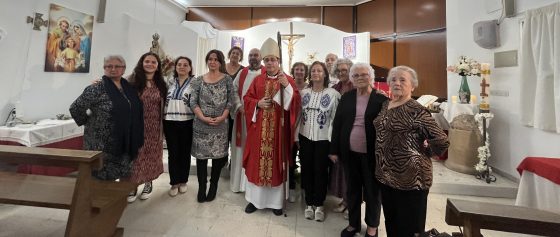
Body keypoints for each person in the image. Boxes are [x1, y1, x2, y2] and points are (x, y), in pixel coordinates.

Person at [374, 66, 449, 237]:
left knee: (410, 229)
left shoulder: (417, 110)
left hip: (411, 180)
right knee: (392, 223)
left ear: (413, 86)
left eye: (402, 80)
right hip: (386, 177)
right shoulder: (386, 105)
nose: (397, 83)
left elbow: (441, 140)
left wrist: (425, 151)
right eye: (393, 79)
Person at [243, 38, 301, 216]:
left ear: (278, 61)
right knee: (256, 163)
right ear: (263, 62)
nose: (269, 63)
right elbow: (247, 99)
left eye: (273, 60)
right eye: (266, 60)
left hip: (278, 131)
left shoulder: (287, 79)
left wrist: (287, 88)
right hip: (258, 130)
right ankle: (254, 201)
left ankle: (276, 203)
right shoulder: (257, 80)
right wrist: (257, 103)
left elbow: (296, 102)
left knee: (277, 164)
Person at [330, 63, 387, 237]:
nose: (360, 78)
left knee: (372, 193)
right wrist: (334, 150)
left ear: (371, 77)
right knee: (352, 190)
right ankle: (353, 224)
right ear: (352, 79)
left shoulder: (381, 99)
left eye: (364, 74)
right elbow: (338, 124)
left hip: (372, 155)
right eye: (356, 76)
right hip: (350, 153)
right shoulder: (347, 97)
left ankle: (372, 228)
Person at [69, 55, 144, 180]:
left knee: (123, 175)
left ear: (124, 69)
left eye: (117, 66)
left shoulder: (129, 88)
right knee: (101, 179)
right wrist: (90, 121)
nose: (113, 69)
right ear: (104, 68)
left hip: (125, 142)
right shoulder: (96, 88)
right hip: (101, 145)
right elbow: (75, 108)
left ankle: (118, 198)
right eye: (109, 66)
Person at [297, 61, 340, 222]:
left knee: (321, 171)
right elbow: (299, 117)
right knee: (307, 170)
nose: (316, 73)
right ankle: (309, 203)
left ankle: (319, 204)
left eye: (319, 70)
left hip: (324, 140)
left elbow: (335, 121)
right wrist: (296, 137)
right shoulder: (304, 93)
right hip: (305, 137)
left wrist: (334, 145)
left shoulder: (333, 94)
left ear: (325, 74)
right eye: (313, 70)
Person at [190, 49, 233, 203]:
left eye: (216, 59)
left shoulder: (227, 79)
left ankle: (213, 186)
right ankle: (202, 187)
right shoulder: (198, 80)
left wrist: (222, 116)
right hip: (201, 124)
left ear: (220, 62)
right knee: (201, 159)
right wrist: (202, 117)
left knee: (217, 158)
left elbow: (230, 100)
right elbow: (193, 101)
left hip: (220, 125)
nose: (212, 62)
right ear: (207, 61)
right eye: (210, 59)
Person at [125, 52, 167, 202]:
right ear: (141, 63)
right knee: (136, 157)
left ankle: (148, 183)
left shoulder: (161, 83)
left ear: (157, 66)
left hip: (154, 127)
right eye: (147, 61)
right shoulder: (131, 80)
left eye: (153, 62)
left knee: (150, 156)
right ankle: (132, 185)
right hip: (136, 126)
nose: (150, 64)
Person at [230, 48, 265, 193]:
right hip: (243, 116)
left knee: (255, 150)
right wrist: (239, 106)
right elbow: (233, 89)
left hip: (259, 118)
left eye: (256, 55)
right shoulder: (242, 72)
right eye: (250, 55)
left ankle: (252, 185)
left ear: (261, 57)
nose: (253, 58)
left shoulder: (265, 73)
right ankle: (238, 184)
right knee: (240, 149)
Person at [163, 56, 195, 197]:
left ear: (190, 67)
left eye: (185, 64)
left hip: (187, 121)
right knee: (173, 152)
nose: (182, 67)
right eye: (179, 64)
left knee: (184, 152)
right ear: (175, 67)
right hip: (169, 120)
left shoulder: (195, 83)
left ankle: (183, 181)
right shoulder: (169, 82)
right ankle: (174, 182)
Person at [329, 58, 354, 218]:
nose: (341, 73)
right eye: (338, 71)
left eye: (344, 70)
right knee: (342, 169)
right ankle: (345, 201)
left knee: (352, 171)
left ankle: (352, 204)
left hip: (353, 132)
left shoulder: (355, 86)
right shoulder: (336, 87)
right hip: (339, 131)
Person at [287, 61, 308, 202]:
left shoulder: (310, 87)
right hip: (291, 126)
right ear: (293, 71)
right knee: (290, 157)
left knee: (305, 158)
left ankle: (306, 187)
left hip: (305, 127)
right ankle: (291, 185)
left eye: (302, 70)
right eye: (297, 69)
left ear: (305, 73)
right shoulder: (289, 85)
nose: (299, 72)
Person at [225, 46, 245, 166]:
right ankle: (223, 159)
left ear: (240, 57)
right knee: (223, 133)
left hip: (236, 107)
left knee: (234, 133)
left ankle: (234, 160)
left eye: (238, 54)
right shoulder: (222, 67)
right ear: (229, 54)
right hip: (222, 106)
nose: (235, 55)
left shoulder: (243, 70)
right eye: (233, 53)